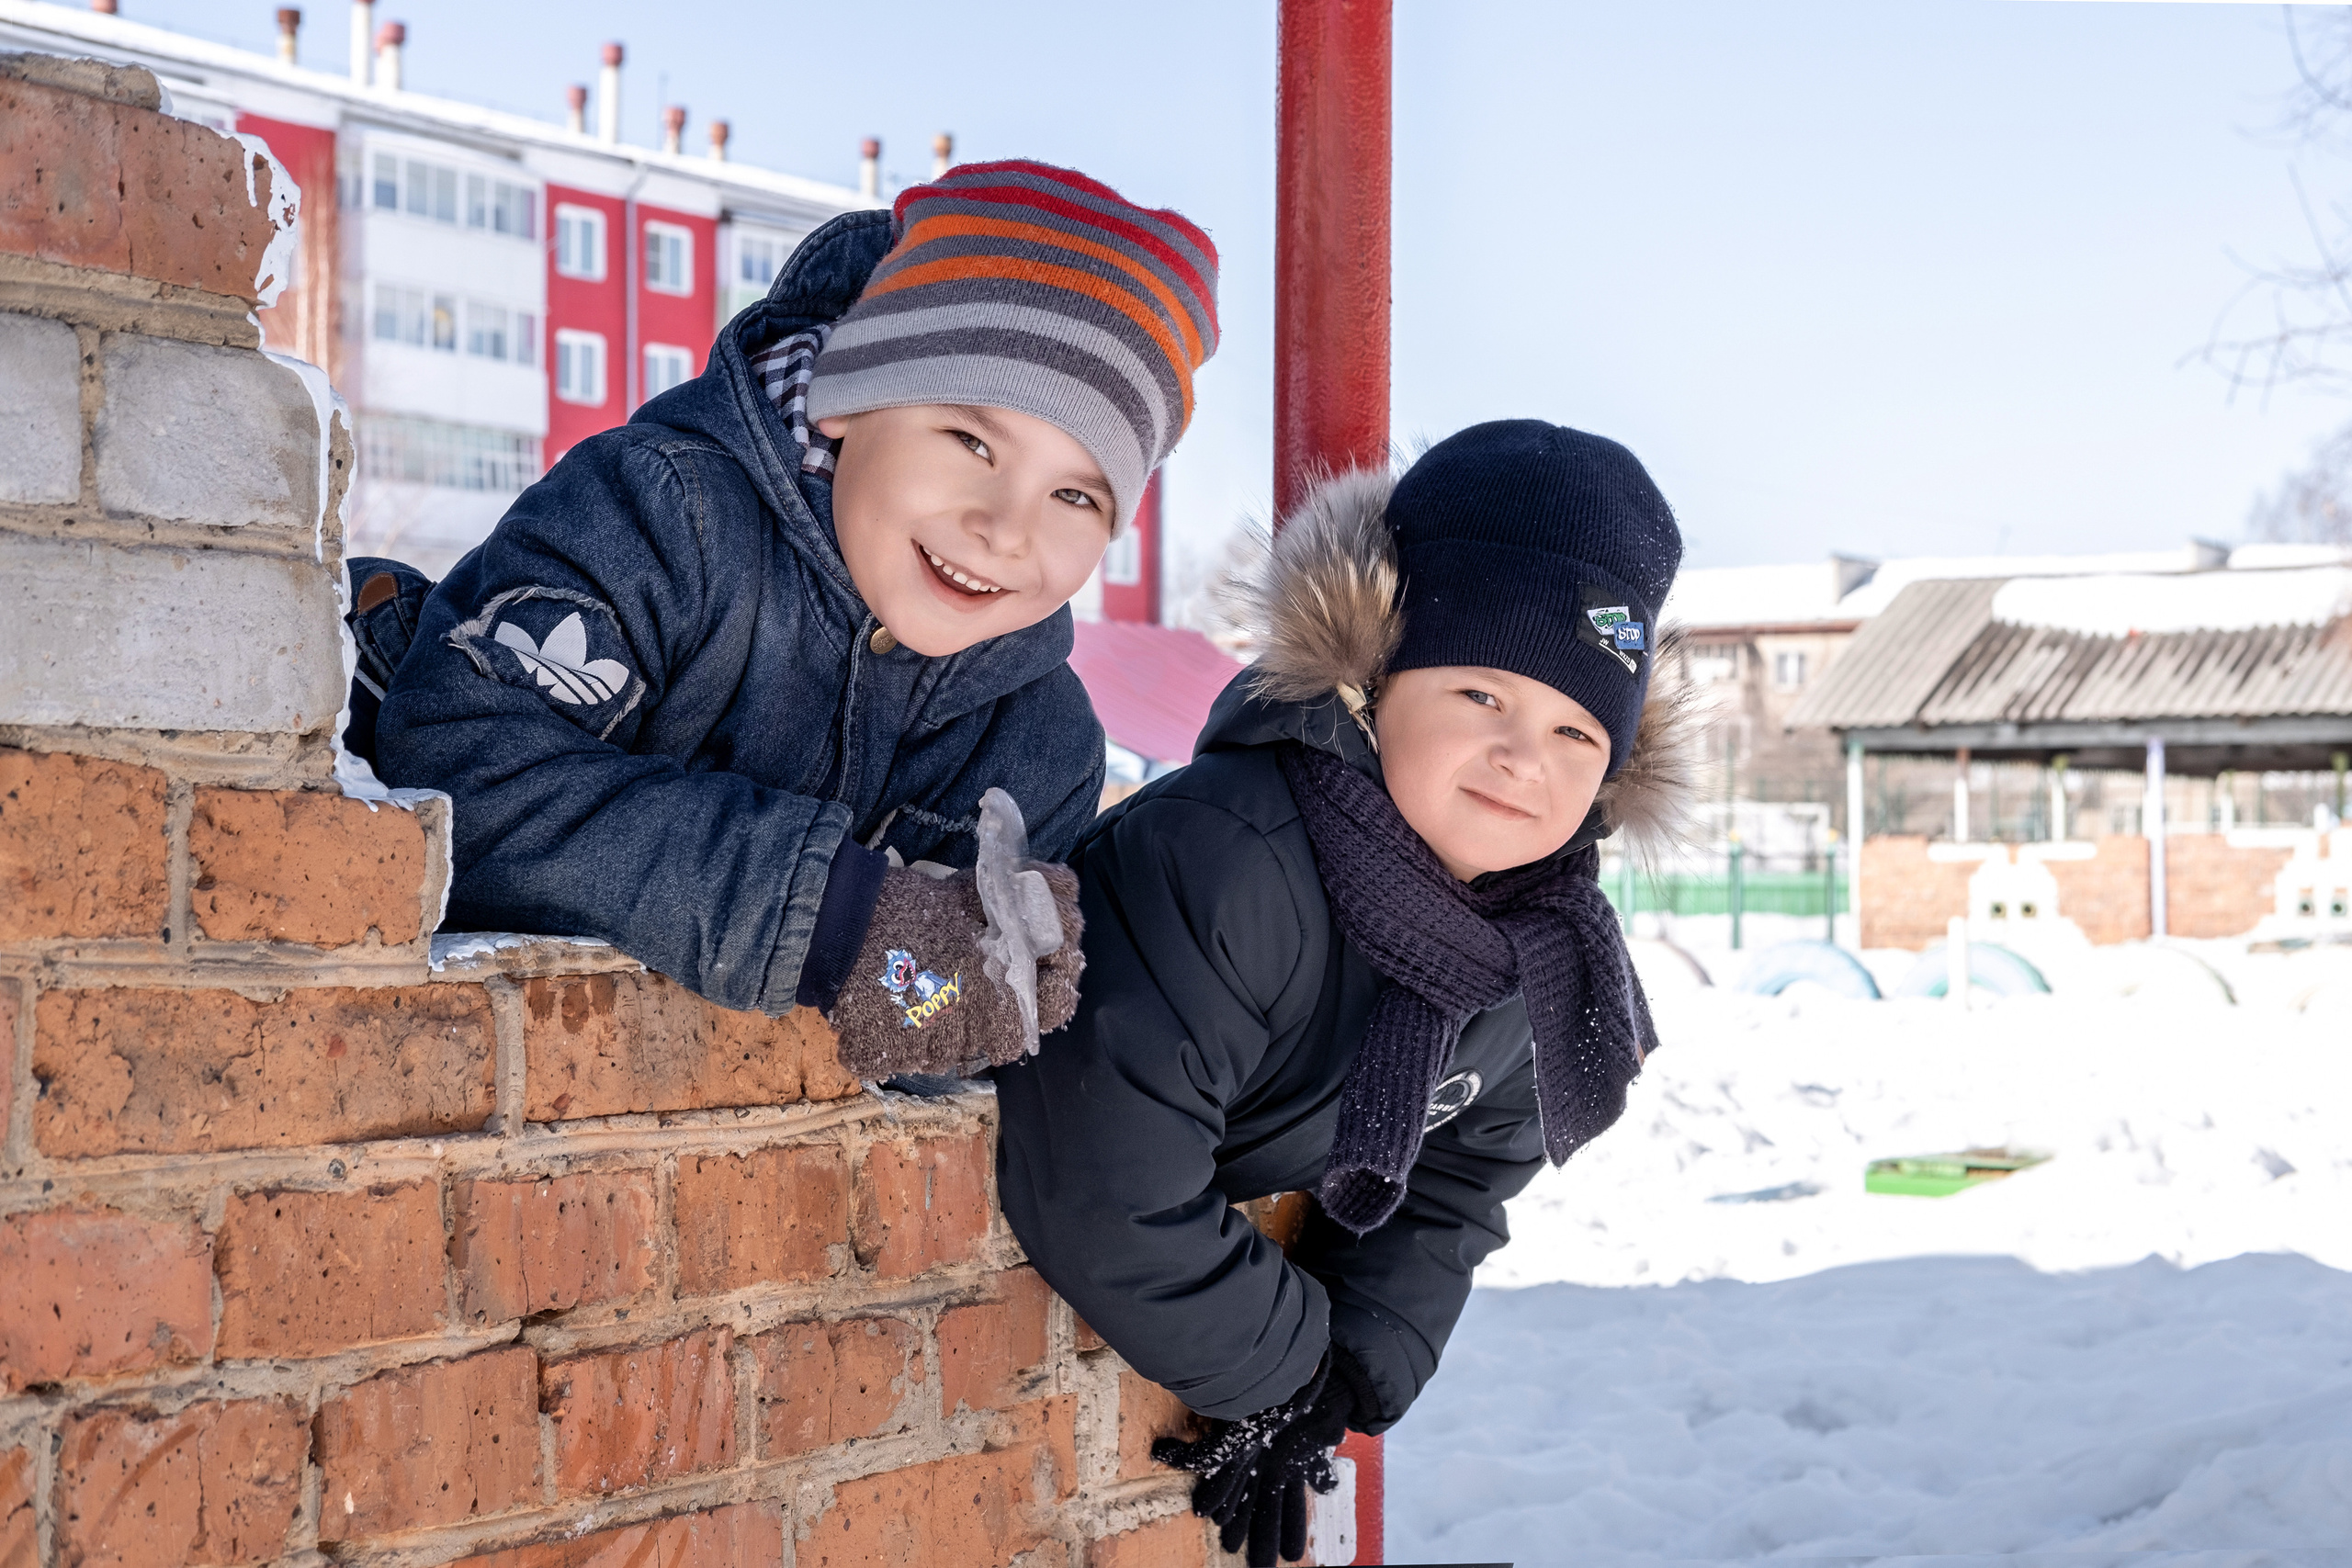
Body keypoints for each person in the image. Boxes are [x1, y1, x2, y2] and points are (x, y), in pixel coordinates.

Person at [991, 420, 1700, 1565]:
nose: (1529, 756)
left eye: (1578, 728)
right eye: (1481, 694)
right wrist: (1282, 1368)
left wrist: (1360, 1361)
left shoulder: (1545, 936)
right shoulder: (1226, 859)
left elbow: (1469, 1164)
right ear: (1377, 682)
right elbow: (1101, 1180)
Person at [353, 162, 1219, 1076]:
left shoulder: (1041, 747)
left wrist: (967, 988)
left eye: (1075, 495)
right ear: (850, 397)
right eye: (972, 442)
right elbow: (458, 781)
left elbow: (949, 1037)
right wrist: (835, 918)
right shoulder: (660, 512)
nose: (1006, 530)